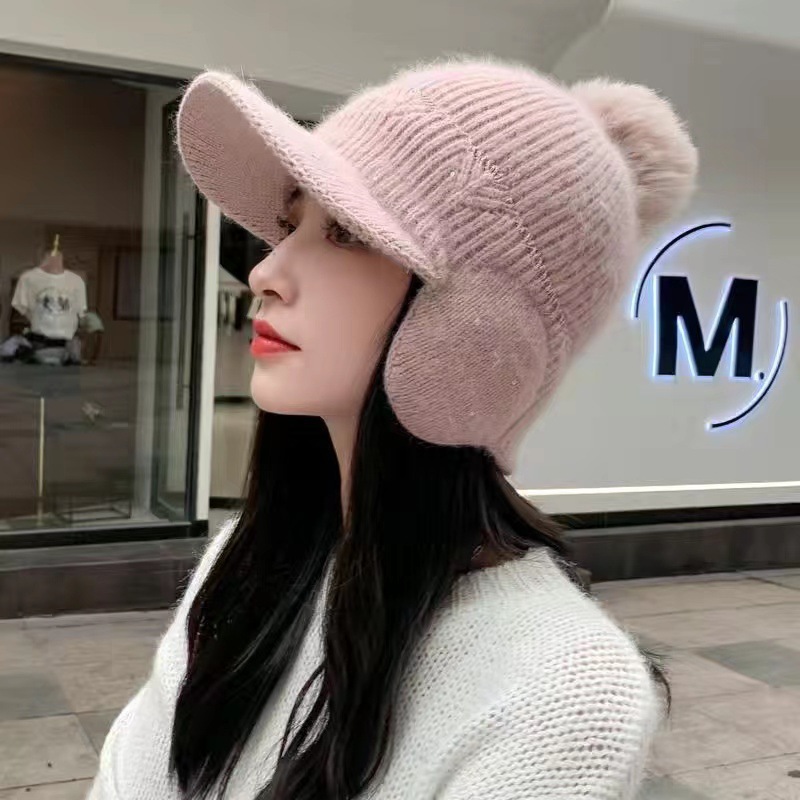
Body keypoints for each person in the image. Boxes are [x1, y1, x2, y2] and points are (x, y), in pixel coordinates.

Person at [88, 58, 697, 799]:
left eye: (345, 232)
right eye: (291, 224)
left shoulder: (563, 691)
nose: (265, 272)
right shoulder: (245, 568)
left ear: (478, 328)